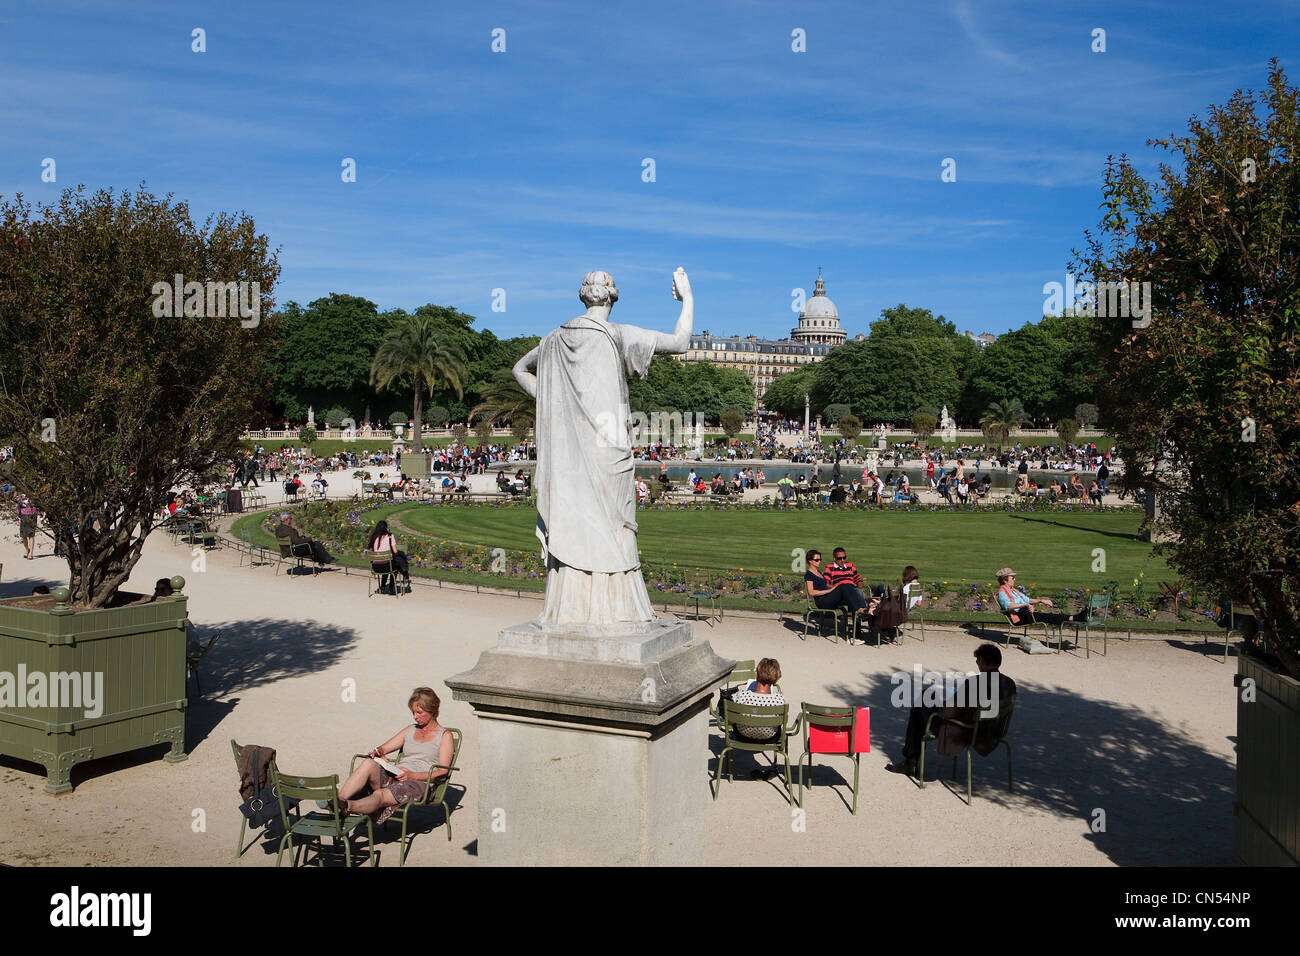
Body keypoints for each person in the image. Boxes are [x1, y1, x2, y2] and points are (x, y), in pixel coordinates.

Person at [511, 268, 693, 626]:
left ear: (583, 296)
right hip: (609, 448)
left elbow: (519, 369)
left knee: (576, 515)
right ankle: (617, 608)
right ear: (613, 296)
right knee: (614, 525)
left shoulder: (554, 338)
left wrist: (551, 401)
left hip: (572, 453)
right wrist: (687, 297)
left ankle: (571, 608)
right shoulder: (618, 334)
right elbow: (680, 341)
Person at [885, 643, 1016, 776]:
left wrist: (942, 704)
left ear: (982, 661)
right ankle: (910, 761)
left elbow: (947, 713)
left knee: (919, 709)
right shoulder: (1009, 683)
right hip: (992, 729)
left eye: (977, 660)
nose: (977, 663)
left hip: (968, 732)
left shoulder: (975, 683)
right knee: (927, 701)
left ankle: (910, 761)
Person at [334, 687, 454, 822]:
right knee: (369, 762)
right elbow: (383, 748)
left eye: (419, 712)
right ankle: (338, 800)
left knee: (380, 794)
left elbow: (443, 772)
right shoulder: (410, 729)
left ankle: (347, 807)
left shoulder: (445, 736)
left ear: (432, 710)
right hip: (397, 774)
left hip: (420, 783)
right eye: (413, 712)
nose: (415, 716)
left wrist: (412, 775)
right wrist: (378, 752)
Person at [994, 567, 1084, 651]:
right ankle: (1073, 618)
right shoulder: (1002, 593)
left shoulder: (1013, 590)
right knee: (1045, 617)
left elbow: (1028, 600)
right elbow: (1009, 606)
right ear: (1005, 579)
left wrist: (1041, 600)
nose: (1014, 579)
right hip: (1019, 617)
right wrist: (1025, 605)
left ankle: (1073, 618)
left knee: (1045, 616)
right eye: (1012, 577)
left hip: (1024, 613)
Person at [729, 657, 787, 748]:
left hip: (742, 736)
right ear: (777, 677)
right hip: (769, 737)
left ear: (756, 675)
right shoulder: (779, 700)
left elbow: (730, 722)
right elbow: (780, 723)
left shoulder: (741, 696)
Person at [805, 549, 869, 622]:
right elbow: (811, 592)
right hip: (822, 601)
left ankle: (862, 616)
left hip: (829, 598)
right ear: (810, 561)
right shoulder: (809, 574)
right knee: (843, 585)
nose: (819, 561)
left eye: (820, 559)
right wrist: (829, 590)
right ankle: (860, 610)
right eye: (817, 560)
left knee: (854, 593)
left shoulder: (818, 572)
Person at [367, 520, 410, 594]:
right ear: (386, 528)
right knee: (394, 565)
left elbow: (371, 551)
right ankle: (391, 587)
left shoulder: (373, 537)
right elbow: (395, 551)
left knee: (386, 562)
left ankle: (383, 587)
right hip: (387, 566)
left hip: (375, 567)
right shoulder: (390, 536)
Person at [17, 495, 38, 560]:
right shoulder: (21, 496)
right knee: (24, 536)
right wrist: (17, 517)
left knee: (31, 535)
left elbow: (37, 504)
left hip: (32, 516)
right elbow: (18, 506)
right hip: (23, 516)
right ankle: (27, 549)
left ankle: (31, 553)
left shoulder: (33, 493)